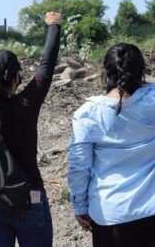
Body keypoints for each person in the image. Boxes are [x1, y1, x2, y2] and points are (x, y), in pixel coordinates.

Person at [0, 11, 61, 247]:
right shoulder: (27, 103)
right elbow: (46, 67)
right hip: (30, 199)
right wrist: (54, 26)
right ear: (17, 77)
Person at [68, 43, 155, 246]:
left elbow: (79, 167)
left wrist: (80, 206)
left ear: (105, 72)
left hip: (109, 214)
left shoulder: (87, 114)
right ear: (142, 71)